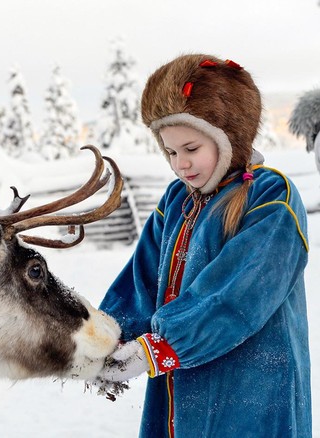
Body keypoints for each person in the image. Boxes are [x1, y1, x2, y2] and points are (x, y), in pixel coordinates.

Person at [95, 54, 311, 437]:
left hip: (252, 391)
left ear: (228, 136)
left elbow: (239, 294)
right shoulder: (177, 200)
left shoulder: (271, 196)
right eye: (171, 152)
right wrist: (105, 337)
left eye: (191, 149)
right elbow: (141, 282)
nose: (181, 164)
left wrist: (161, 346)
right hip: (181, 388)